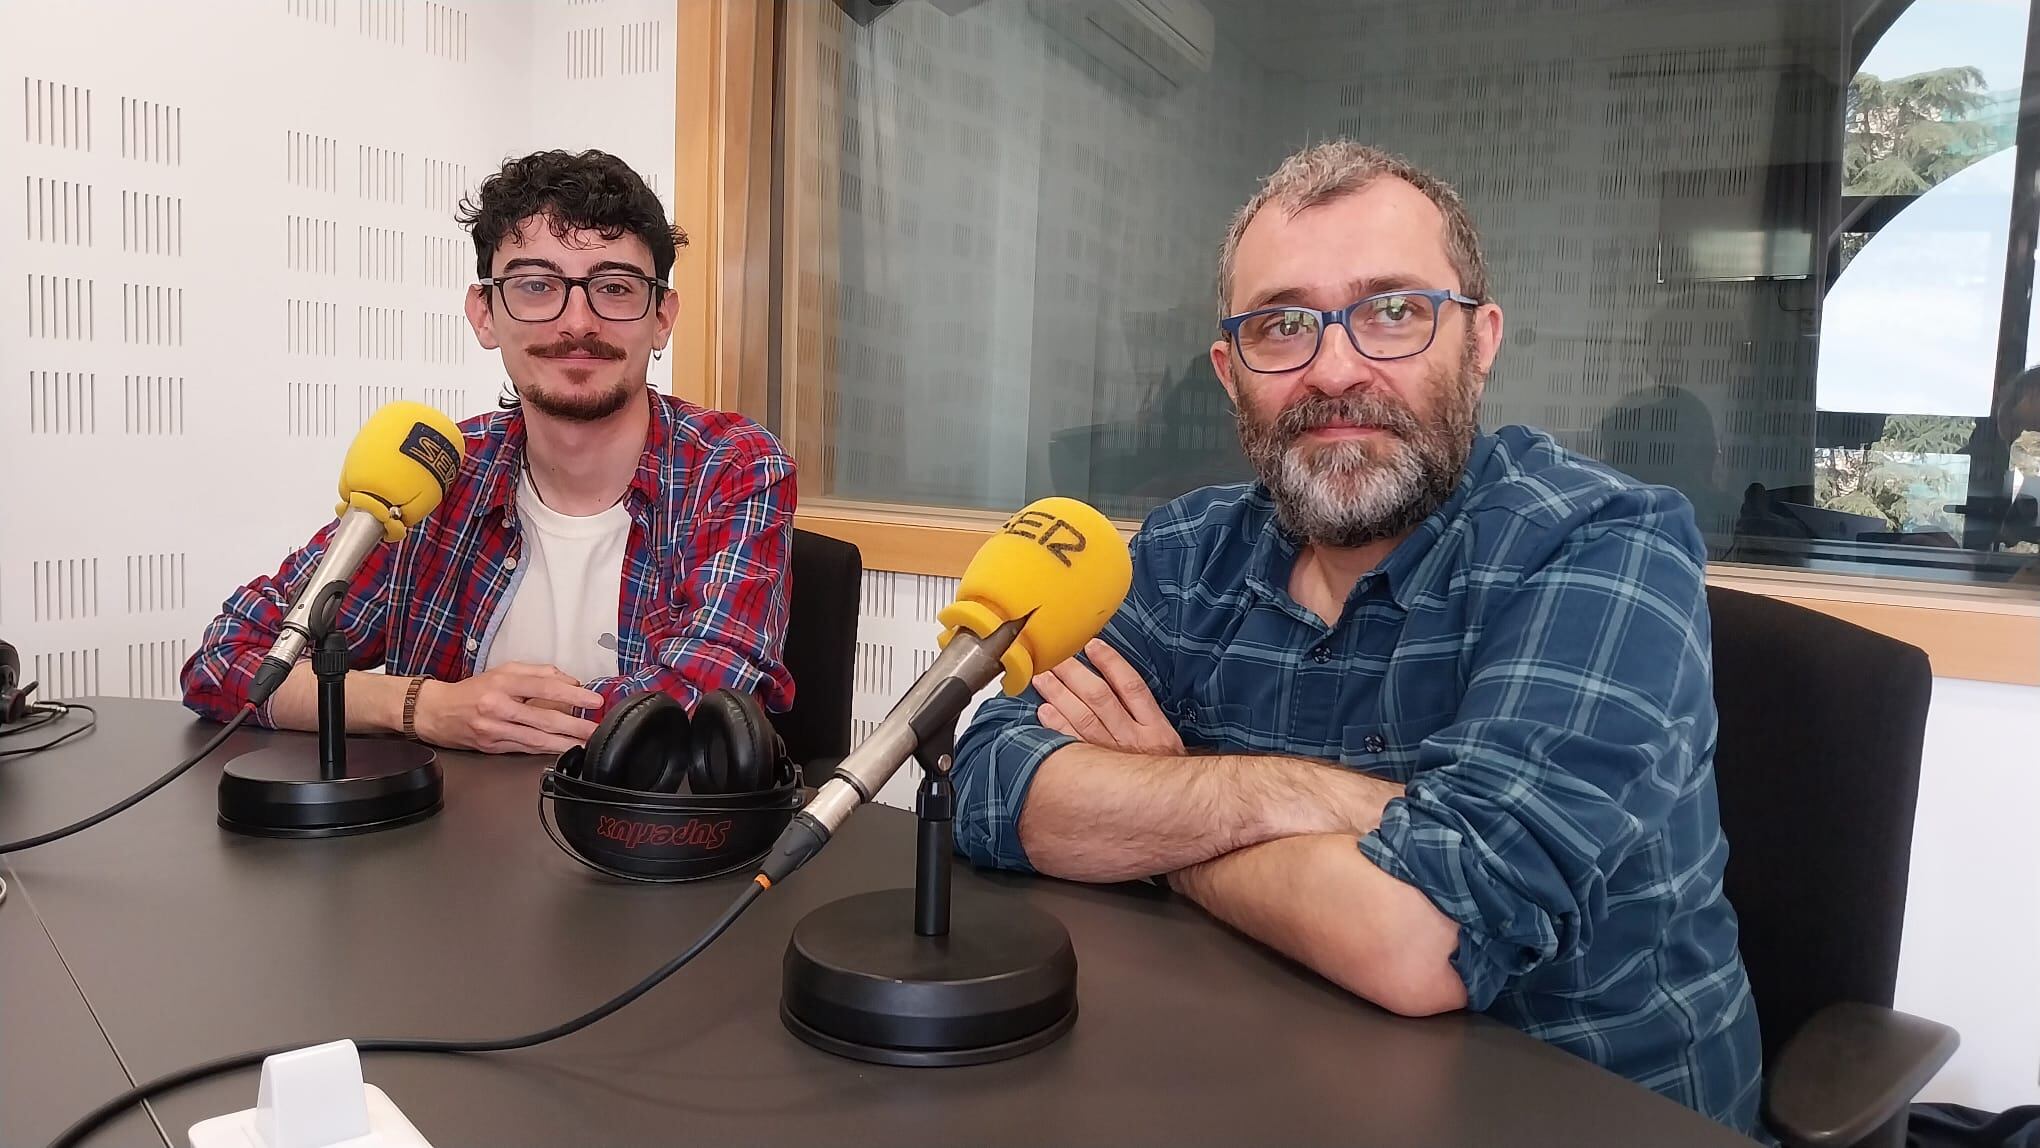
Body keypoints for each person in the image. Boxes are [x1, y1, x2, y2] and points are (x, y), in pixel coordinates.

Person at [952, 141, 1763, 1135]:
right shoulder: (1184, 552)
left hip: (1578, 1109)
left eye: (1393, 311)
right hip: (1254, 1079)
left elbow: (1424, 940)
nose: (1335, 367)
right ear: (1230, 369)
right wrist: (1298, 796)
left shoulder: (1600, 543)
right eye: (1283, 324)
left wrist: (1156, 821)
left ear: (1479, 339)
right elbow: (992, 777)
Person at [182, 149, 796, 754]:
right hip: (436, 845)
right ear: (484, 314)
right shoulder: (436, 471)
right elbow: (227, 661)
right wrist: (425, 707)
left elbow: (712, 693)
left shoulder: (732, 466)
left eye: (614, 287)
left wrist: (502, 717)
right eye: (536, 286)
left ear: (662, 317)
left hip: (642, 844)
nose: (576, 322)